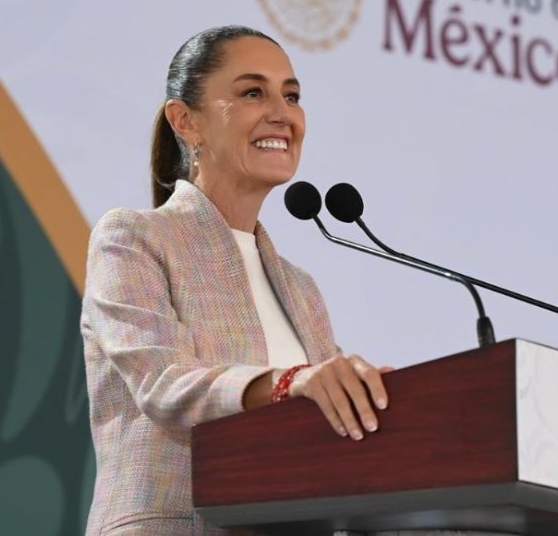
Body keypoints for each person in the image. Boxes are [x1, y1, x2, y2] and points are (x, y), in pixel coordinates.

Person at [81, 26, 390, 535]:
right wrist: (292, 383)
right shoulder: (134, 238)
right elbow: (164, 385)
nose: (282, 113)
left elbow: (334, 423)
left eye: (291, 96)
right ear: (186, 121)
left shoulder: (301, 288)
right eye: (253, 93)